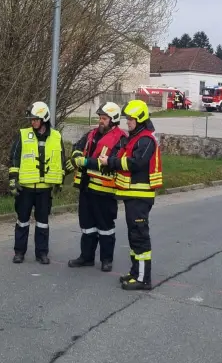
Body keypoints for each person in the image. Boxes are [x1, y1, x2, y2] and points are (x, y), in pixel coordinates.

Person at [83, 99, 162, 290]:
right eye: (128, 119)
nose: (128, 122)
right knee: (134, 236)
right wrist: (110, 161)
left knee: (140, 237)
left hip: (140, 197)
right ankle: (135, 273)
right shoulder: (136, 138)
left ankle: (143, 279)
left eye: (131, 119)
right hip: (131, 196)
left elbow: (136, 163)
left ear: (140, 120)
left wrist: (111, 162)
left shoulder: (146, 140)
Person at [67, 102, 126, 272]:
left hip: (104, 191)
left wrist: (85, 162)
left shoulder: (121, 139)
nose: (101, 121)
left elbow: (111, 162)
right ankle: (86, 257)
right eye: (100, 117)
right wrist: (76, 156)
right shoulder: (91, 134)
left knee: (105, 227)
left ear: (113, 120)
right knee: (87, 226)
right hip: (86, 188)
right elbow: (77, 147)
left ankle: (106, 260)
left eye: (104, 118)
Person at [9, 101, 66, 265]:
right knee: (22, 221)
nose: (32, 122)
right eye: (31, 119)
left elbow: (61, 161)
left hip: (44, 189)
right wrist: (13, 180)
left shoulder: (56, 136)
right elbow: (14, 158)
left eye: (35, 119)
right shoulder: (23, 135)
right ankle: (19, 252)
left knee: (42, 223)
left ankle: (42, 253)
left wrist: (60, 181)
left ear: (44, 119)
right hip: (25, 188)